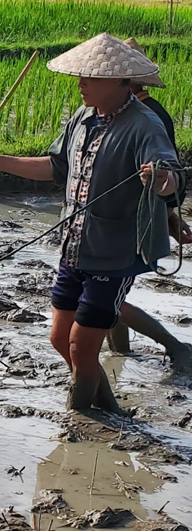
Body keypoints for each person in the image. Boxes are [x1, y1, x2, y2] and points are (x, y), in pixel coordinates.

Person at [0, 33, 184, 414]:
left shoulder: (145, 125)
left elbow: (172, 174)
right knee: (60, 338)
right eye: (80, 75)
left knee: (81, 347)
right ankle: (111, 411)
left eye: (91, 77)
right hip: (75, 244)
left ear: (120, 81)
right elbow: (55, 167)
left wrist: (161, 181)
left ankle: (78, 420)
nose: (81, 83)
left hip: (113, 252)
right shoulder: (83, 118)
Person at [106, 38, 192, 374]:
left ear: (128, 81)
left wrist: (170, 215)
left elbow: (168, 175)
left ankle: (176, 346)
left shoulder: (151, 117)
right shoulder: (110, 112)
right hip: (109, 218)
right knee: (105, 295)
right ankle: (121, 356)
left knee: (103, 298)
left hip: (133, 218)